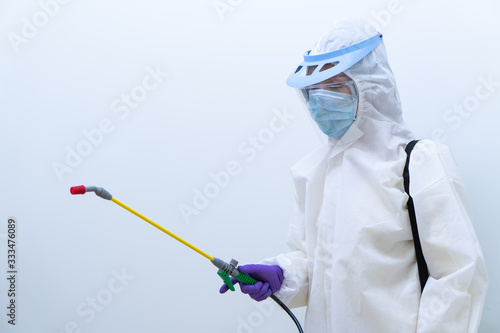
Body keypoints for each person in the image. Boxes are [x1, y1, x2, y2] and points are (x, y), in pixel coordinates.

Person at [220, 18, 488, 332]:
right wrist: (282, 273)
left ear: (371, 86)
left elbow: (457, 275)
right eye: (314, 91)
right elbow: (319, 266)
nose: (321, 101)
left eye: (334, 87)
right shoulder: (315, 172)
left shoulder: (418, 162)